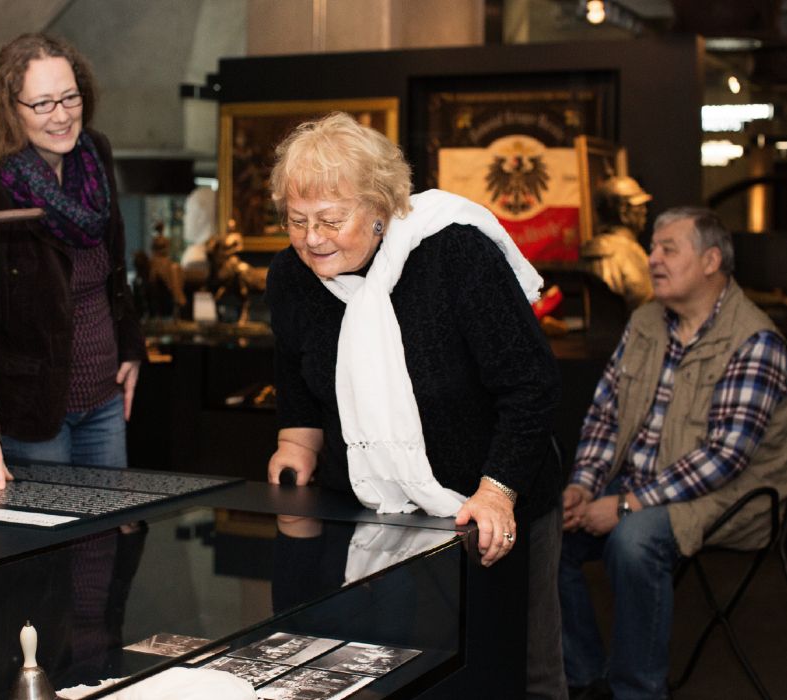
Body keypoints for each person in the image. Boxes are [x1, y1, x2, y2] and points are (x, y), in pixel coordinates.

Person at [265, 112, 566, 698]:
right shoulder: (292, 275)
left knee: (519, 668)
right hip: (384, 512)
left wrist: (498, 488)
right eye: (297, 221)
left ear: (381, 208)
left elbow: (531, 385)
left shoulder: (455, 254)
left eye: (331, 219)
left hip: (498, 492)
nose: (312, 238)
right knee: (403, 667)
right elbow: (295, 374)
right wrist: (295, 444)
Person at [560, 207, 787, 700]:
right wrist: (584, 485)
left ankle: (637, 691)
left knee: (632, 539)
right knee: (547, 528)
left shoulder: (755, 340)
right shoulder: (645, 321)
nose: (652, 258)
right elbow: (605, 415)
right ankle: (585, 677)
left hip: (731, 497)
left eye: (668, 249)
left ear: (710, 261)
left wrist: (623, 506)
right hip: (646, 483)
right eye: (652, 247)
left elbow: (725, 457)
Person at [0, 33, 146, 491]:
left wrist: (131, 345)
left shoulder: (95, 154)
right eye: (43, 104)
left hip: (105, 403)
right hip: (31, 417)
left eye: (70, 97)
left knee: (104, 548)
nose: (62, 115)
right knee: (44, 561)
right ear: (10, 109)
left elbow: (114, 268)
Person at [579, 174, 653, 310]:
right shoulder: (604, 254)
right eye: (638, 206)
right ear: (623, 211)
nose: (644, 211)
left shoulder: (633, 248)